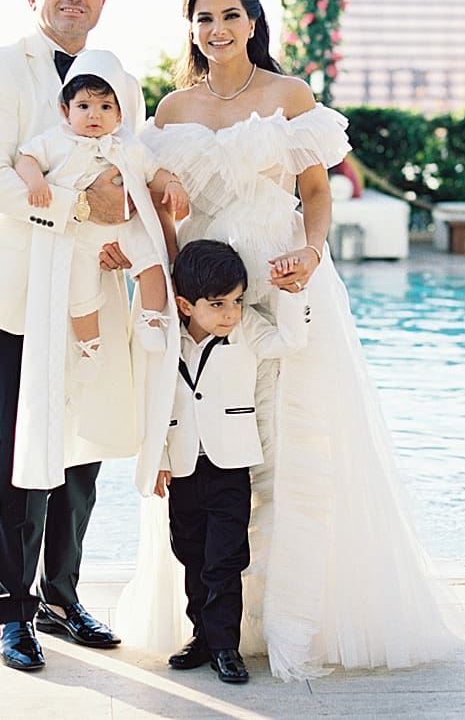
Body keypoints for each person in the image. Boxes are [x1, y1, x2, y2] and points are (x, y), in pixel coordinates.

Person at [119, 0, 459, 681]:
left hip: (283, 280)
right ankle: (213, 624)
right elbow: (154, 199)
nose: (217, 30)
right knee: (205, 456)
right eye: (204, 18)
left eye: (230, 16)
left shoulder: (288, 94)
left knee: (293, 452)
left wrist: (312, 251)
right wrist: (163, 193)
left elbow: (315, 190)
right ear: (191, 28)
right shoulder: (172, 109)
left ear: (253, 22)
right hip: (208, 297)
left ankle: (295, 618)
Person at [0, 0, 144, 672]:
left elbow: (131, 168)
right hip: (17, 297)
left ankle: (62, 597)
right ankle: (13, 610)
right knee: (18, 456)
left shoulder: (118, 77)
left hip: (95, 291)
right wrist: (77, 203)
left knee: (85, 451)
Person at [147, 239, 310, 685]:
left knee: (223, 558)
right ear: (184, 304)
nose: (230, 314)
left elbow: (291, 340)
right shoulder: (165, 339)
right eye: (217, 305)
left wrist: (292, 294)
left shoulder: (248, 330)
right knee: (190, 552)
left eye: (236, 302)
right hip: (183, 465)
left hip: (230, 465)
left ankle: (225, 647)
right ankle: (201, 634)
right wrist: (158, 456)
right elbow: (155, 402)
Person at [13, 53, 187, 378]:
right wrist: (35, 180)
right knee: (80, 291)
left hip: (124, 226)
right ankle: (89, 349)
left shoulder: (128, 145)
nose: (94, 115)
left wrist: (173, 183)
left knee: (151, 259)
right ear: (66, 110)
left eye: (105, 107)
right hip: (79, 232)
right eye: (84, 107)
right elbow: (25, 158)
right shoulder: (56, 141)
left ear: (120, 114)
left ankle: (151, 318)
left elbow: (154, 172)